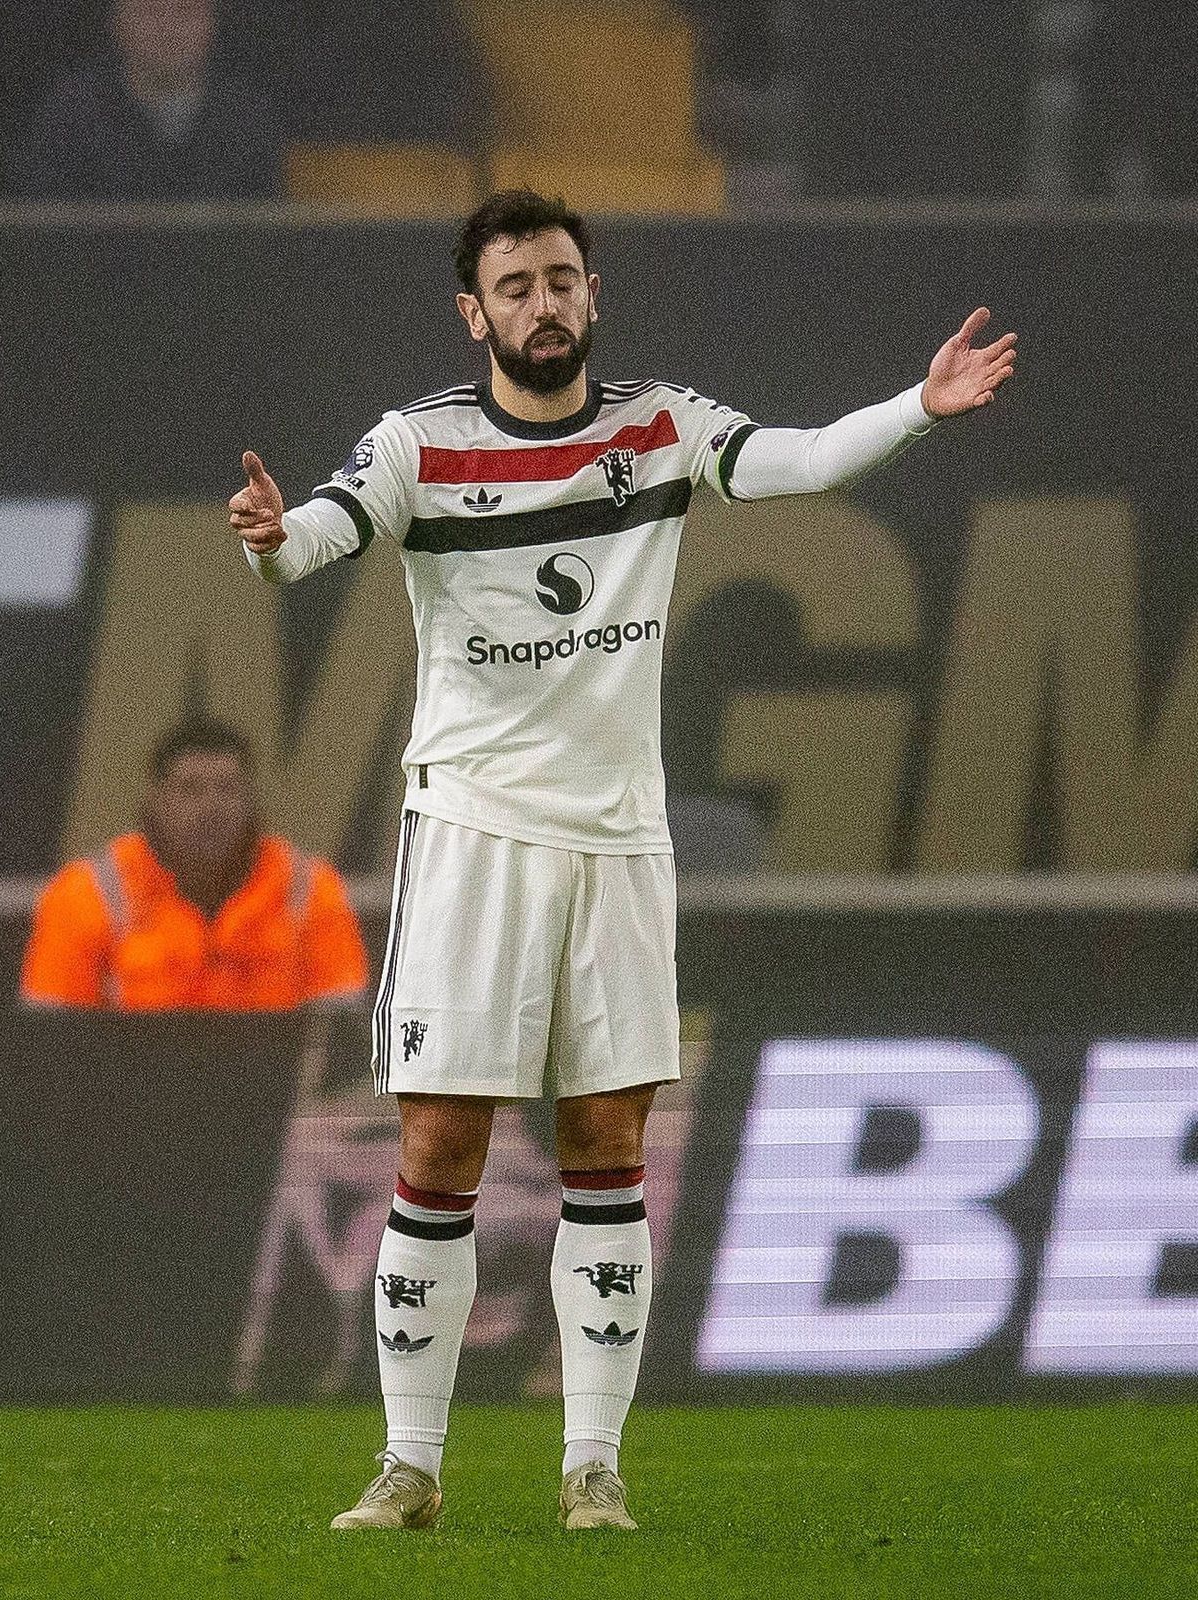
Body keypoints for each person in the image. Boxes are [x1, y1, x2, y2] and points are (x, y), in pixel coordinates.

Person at [229, 189, 1017, 1532]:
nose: (543, 303)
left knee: (607, 1147)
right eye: (515, 286)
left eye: (561, 279)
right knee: (438, 1147)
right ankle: (409, 1466)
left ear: (595, 295)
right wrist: (268, 540)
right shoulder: (421, 443)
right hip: (472, 835)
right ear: (473, 314)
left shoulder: (659, 428)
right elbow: (318, 535)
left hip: (619, 842)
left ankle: (592, 1466)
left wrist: (920, 407)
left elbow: (806, 460)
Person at [21, 717, 366, 1011]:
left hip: (273, 1087)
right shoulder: (84, 894)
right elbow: (52, 1051)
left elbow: (344, 1047)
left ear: (253, 804)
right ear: (152, 802)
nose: (210, 810)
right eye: (189, 789)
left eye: (228, 789)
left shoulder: (310, 890)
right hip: (127, 1086)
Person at [9, 0, 281, 202]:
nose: (168, 28)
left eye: (186, 12)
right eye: (149, 11)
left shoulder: (246, 114)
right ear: (117, 24)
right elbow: (41, 223)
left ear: (211, 24)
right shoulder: (72, 111)